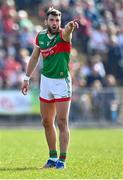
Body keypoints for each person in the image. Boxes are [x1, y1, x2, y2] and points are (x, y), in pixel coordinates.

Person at [21, 7, 79, 169]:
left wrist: (70, 26)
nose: (55, 23)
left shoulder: (63, 35)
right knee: (46, 121)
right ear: (46, 21)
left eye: (57, 20)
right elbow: (34, 57)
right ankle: (52, 157)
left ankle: (62, 160)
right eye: (52, 20)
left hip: (61, 82)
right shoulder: (40, 36)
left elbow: (67, 31)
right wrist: (26, 78)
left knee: (61, 122)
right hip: (45, 81)